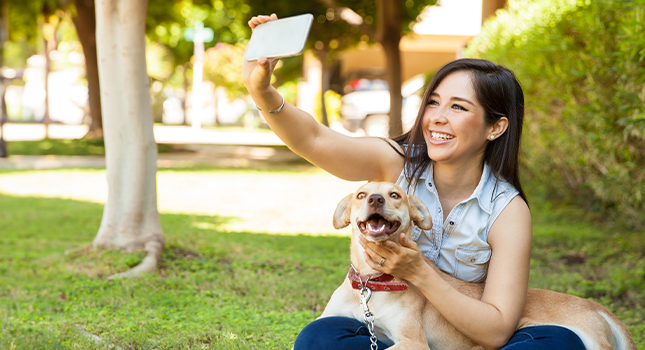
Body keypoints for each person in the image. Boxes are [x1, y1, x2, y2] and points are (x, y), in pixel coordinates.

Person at [243, 14, 586, 350]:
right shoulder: (394, 163)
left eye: (458, 108)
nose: (437, 116)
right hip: (394, 328)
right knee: (320, 339)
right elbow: (314, 138)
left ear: (495, 127)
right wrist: (262, 91)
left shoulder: (507, 211)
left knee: (555, 343)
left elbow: (496, 331)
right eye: (433, 102)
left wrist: (419, 272)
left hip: (466, 337)